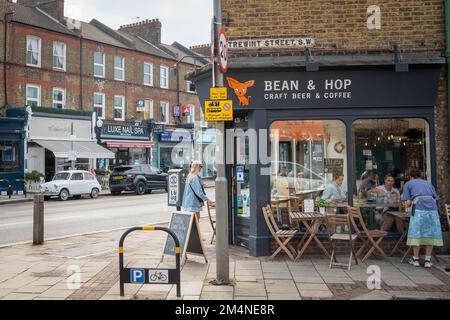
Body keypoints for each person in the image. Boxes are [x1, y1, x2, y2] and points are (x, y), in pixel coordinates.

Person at [402, 170, 443, 268]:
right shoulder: (428, 183)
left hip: (419, 209)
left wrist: (408, 204)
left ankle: (415, 259)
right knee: (430, 234)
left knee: (416, 233)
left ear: (411, 176)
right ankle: (427, 261)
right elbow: (435, 197)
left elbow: (407, 202)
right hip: (432, 210)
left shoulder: (408, 183)